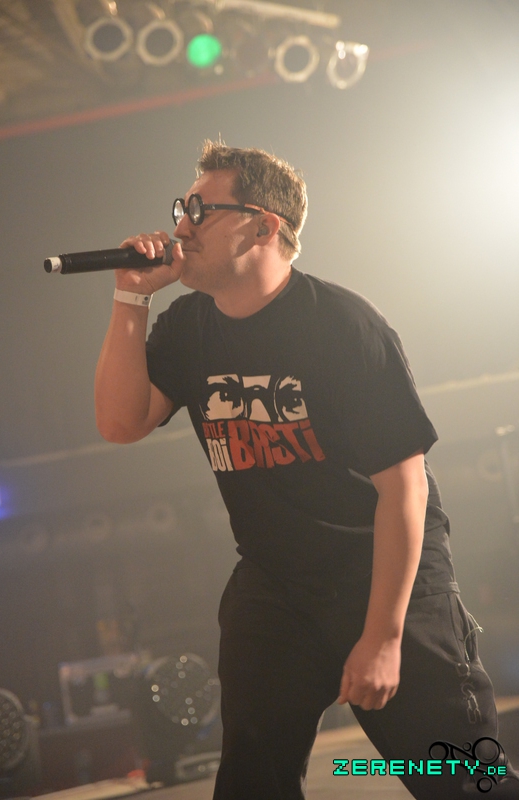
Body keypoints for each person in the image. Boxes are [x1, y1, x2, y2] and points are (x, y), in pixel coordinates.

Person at [95, 142, 518, 799]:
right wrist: (129, 296)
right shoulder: (188, 326)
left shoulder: (343, 327)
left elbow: (404, 489)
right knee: (251, 784)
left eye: (202, 210)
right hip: (276, 585)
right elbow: (121, 423)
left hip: (382, 575)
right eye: (182, 207)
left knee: (462, 779)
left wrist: (382, 638)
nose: (180, 225)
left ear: (264, 226)